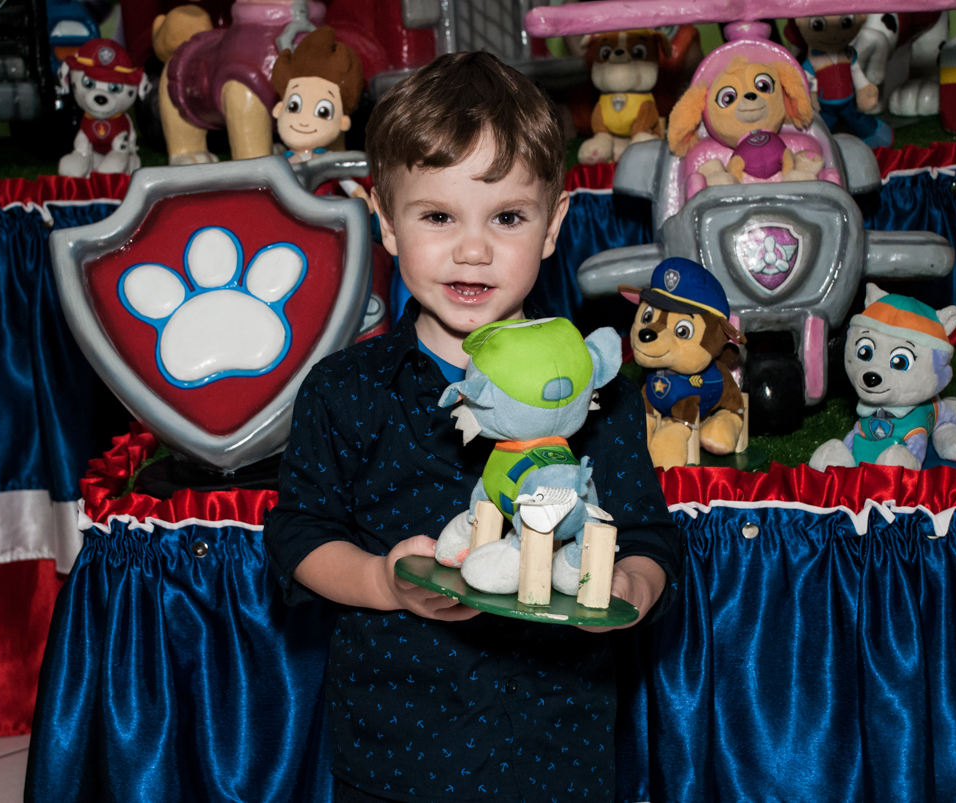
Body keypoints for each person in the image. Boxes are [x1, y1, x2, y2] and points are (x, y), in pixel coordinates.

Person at [265, 50, 684, 803]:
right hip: (397, 749)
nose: (472, 248)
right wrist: (383, 581)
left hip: (558, 748)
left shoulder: (596, 388)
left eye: (508, 217)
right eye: (437, 215)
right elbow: (298, 534)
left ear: (553, 225)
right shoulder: (347, 388)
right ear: (385, 222)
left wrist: (626, 585)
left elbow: (651, 535)